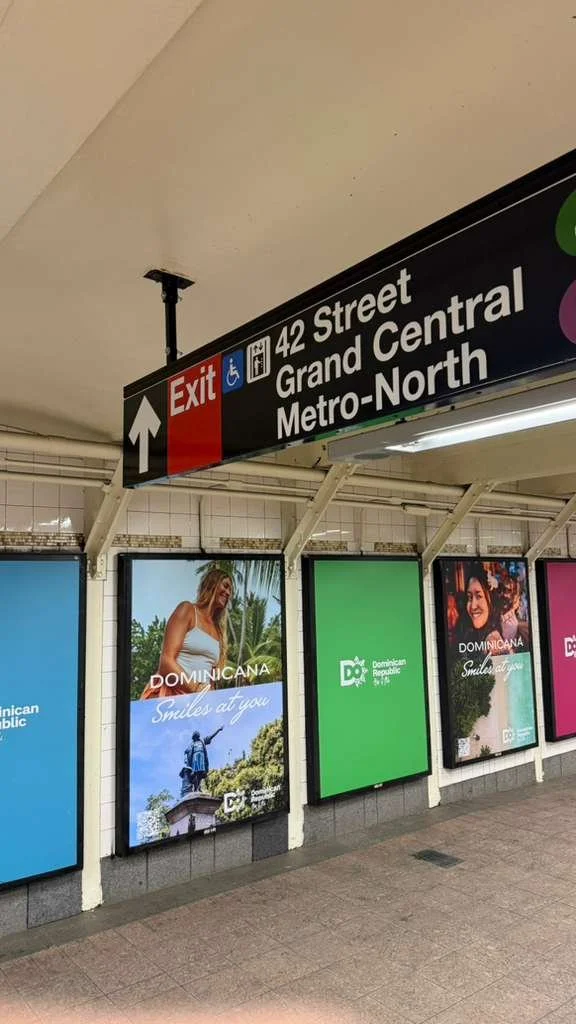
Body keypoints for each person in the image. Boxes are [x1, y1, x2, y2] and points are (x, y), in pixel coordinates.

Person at [140, 568, 233, 699]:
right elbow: (166, 663)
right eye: (225, 586)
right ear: (212, 584)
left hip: (197, 702)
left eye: (230, 590)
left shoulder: (218, 631)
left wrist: (210, 699)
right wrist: (196, 689)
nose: (228, 593)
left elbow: (210, 678)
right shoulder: (188, 610)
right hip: (171, 695)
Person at [180, 726, 223, 795]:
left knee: (200, 773)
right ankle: (196, 788)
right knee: (195, 773)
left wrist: (218, 730)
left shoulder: (202, 741)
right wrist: (185, 760)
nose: (196, 736)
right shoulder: (192, 744)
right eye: (195, 735)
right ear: (193, 737)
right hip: (195, 758)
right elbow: (186, 752)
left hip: (201, 758)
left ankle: (198, 787)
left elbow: (210, 737)